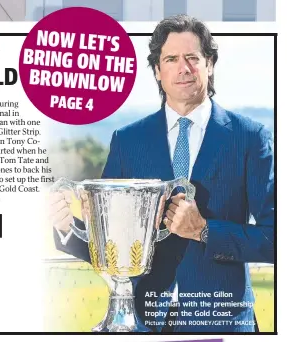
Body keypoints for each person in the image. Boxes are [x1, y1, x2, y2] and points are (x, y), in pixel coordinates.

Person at [49, 15, 274, 332]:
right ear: (157, 70)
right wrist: (67, 228)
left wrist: (204, 230)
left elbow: (275, 239)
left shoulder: (250, 137)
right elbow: (112, 245)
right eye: (171, 59)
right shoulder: (127, 141)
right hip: (142, 326)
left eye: (192, 58)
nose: (183, 68)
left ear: (209, 64)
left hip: (220, 324)